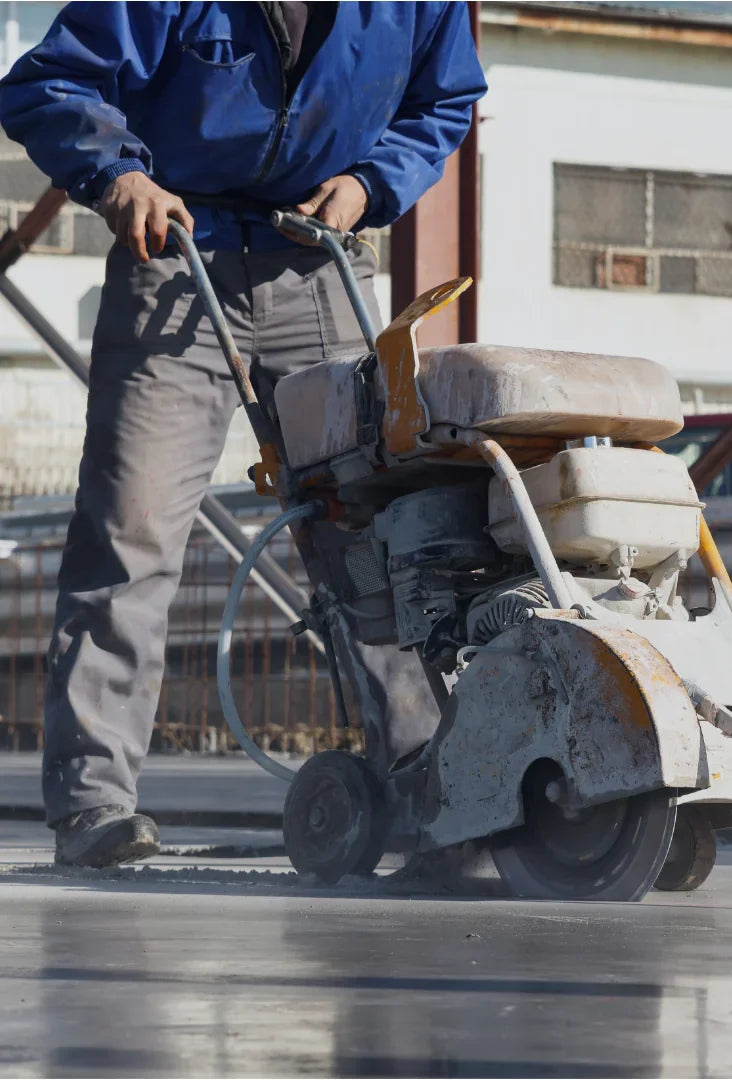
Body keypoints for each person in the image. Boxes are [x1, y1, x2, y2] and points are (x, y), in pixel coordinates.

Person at [0, 2, 486, 867]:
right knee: (131, 530)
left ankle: (421, 787)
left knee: (371, 537)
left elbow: (443, 102)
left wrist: (373, 183)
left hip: (323, 264)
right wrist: (118, 176)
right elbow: (48, 82)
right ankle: (94, 806)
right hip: (179, 259)